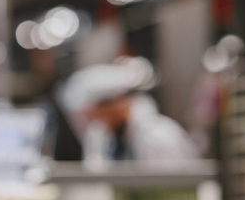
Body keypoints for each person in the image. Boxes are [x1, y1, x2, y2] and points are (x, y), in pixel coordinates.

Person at [59, 57, 200, 163]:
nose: (91, 122)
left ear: (113, 104)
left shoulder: (158, 137)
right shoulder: (112, 140)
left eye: (93, 115)